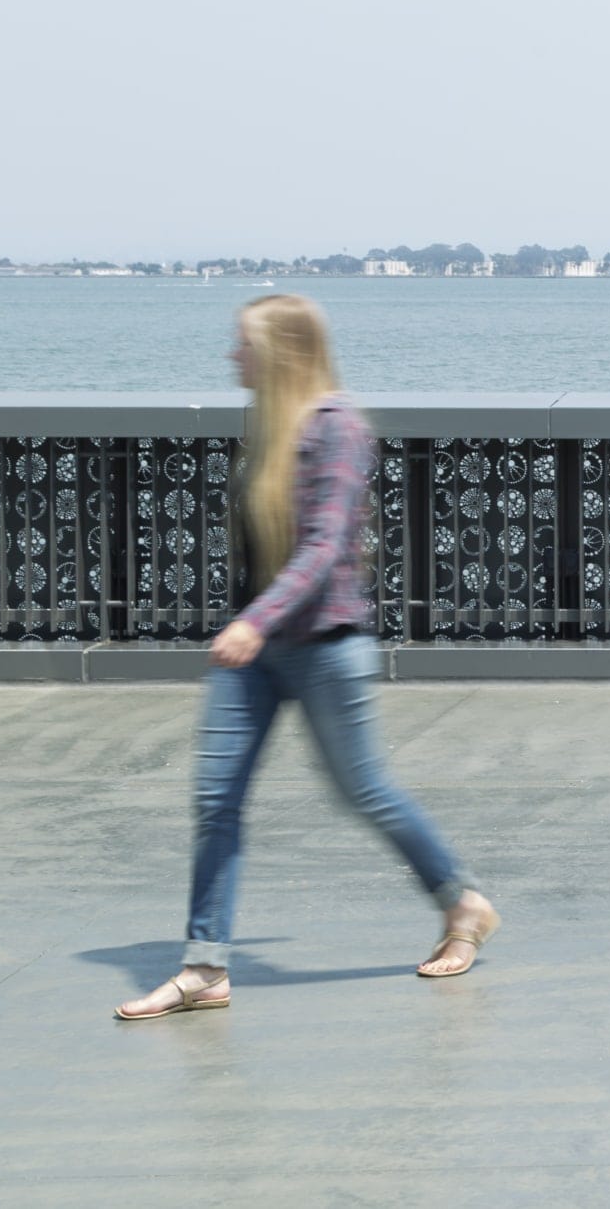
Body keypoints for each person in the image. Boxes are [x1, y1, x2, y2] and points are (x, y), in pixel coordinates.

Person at [115, 294, 499, 1020]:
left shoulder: (339, 429)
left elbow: (324, 547)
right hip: (257, 651)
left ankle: (463, 900)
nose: (232, 356)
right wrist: (250, 622)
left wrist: (254, 622)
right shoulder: (269, 425)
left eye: (243, 345)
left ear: (283, 353)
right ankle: (205, 966)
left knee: (365, 792)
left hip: (325, 647)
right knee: (215, 800)